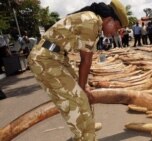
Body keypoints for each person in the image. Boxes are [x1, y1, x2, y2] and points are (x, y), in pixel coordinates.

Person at [27, 0, 128, 140]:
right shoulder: (91, 21)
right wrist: (82, 89)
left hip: (58, 58)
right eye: (116, 28)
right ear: (109, 19)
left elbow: (85, 61)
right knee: (79, 100)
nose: (114, 33)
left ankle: (86, 129)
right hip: (45, 59)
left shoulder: (94, 22)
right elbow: (86, 61)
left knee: (83, 96)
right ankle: (85, 134)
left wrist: (83, 86)